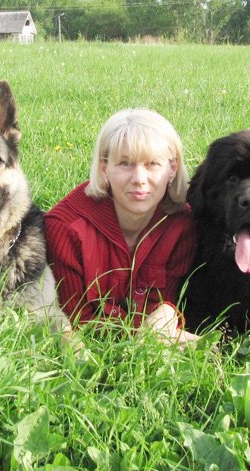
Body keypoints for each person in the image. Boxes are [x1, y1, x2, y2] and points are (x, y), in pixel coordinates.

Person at [44, 108, 200, 347]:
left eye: (153, 164)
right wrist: (151, 336)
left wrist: (167, 313)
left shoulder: (183, 225)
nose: (139, 178)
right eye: (125, 163)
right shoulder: (65, 228)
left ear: (172, 168)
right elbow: (77, 320)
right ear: (104, 167)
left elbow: (170, 300)